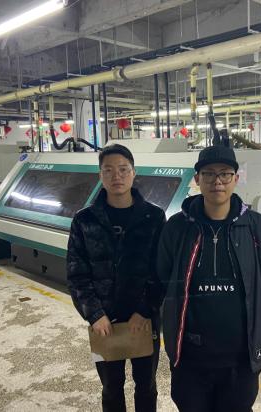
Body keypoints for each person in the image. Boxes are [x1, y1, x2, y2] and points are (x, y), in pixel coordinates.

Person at [157, 144, 261, 412]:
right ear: (197, 179)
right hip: (190, 357)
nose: (217, 181)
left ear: (236, 178)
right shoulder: (177, 228)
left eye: (225, 173)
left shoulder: (256, 227)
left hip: (241, 358)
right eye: (209, 173)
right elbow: (164, 276)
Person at [67, 144, 166, 412]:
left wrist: (144, 310)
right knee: (111, 387)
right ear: (100, 175)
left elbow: (161, 270)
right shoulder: (84, 220)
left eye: (123, 169)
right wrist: (94, 314)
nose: (116, 176)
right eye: (108, 170)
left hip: (143, 320)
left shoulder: (154, 217)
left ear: (134, 173)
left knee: (146, 384)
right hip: (104, 322)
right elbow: (77, 274)